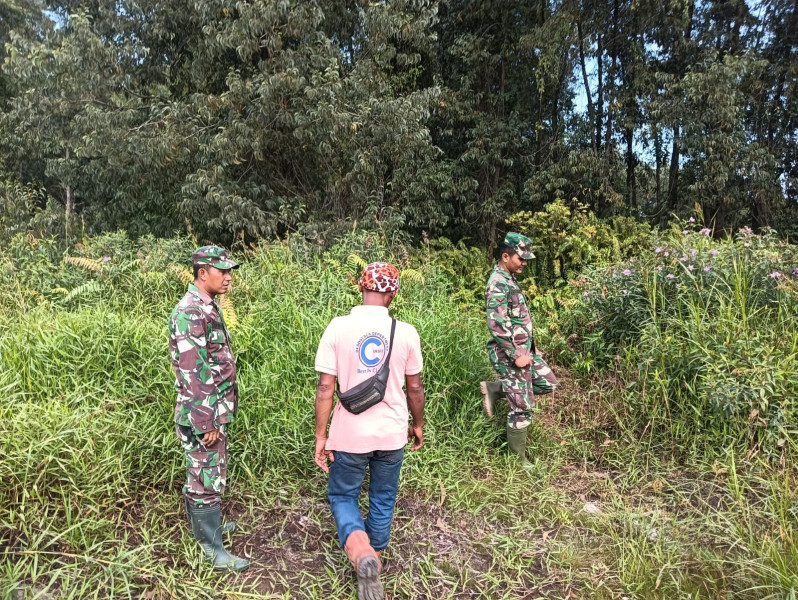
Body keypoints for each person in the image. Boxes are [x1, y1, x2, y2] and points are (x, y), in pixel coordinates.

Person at [314, 262, 425, 600]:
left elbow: (324, 388)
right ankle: (375, 551)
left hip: (349, 434)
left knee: (343, 495)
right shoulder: (405, 332)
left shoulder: (338, 327)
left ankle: (363, 554)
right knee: (382, 495)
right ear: (393, 292)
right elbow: (415, 387)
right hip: (391, 434)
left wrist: (322, 436)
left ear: (360, 289)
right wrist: (417, 424)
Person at [168, 245, 249, 571]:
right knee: (205, 479)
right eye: (222, 271)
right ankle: (212, 549)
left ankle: (207, 527)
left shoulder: (206, 306)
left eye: (229, 271)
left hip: (211, 410)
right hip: (203, 413)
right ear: (203, 273)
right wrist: (206, 422)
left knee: (205, 474)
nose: (228, 277)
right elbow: (193, 374)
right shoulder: (190, 313)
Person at [480, 232, 557, 465]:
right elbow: (496, 323)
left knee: (548, 382)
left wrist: (531, 350)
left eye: (525, 259)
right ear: (505, 256)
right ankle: (518, 461)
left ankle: (495, 389)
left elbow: (516, 320)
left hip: (523, 352)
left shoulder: (510, 278)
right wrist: (516, 354)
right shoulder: (498, 283)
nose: (524, 263)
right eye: (520, 258)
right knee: (521, 407)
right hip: (509, 355)